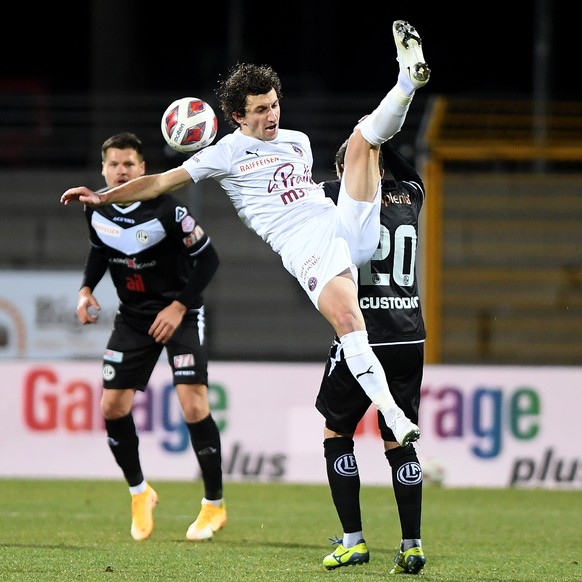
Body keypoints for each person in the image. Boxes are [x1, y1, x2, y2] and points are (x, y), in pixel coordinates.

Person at [61, 20, 430, 450]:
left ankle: (407, 79)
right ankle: (393, 415)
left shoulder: (299, 141)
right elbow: (159, 183)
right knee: (350, 323)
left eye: (274, 105)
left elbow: (306, 187)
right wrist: (105, 198)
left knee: (363, 137)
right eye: (259, 110)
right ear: (238, 116)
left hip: (339, 222)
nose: (271, 115)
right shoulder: (225, 153)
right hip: (305, 244)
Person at [74, 132, 226, 542]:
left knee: (194, 405)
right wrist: (87, 288)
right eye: (114, 165)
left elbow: (208, 258)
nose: (121, 171)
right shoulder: (95, 210)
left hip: (179, 312)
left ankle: (214, 505)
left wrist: (178, 307)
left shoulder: (168, 211)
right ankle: (140, 493)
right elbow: (100, 250)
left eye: (129, 165)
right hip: (134, 317)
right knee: (112, 406)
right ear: (103, 169)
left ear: (143, 169)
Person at [318, 139, 427, 574]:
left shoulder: (331, 199)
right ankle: (412, 544)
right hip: (409, 335)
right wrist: (375, 139)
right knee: (398, 440)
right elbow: (410, 172)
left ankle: (353, 541)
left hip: (363, 335)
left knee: (336, 434)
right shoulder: (412, 194)